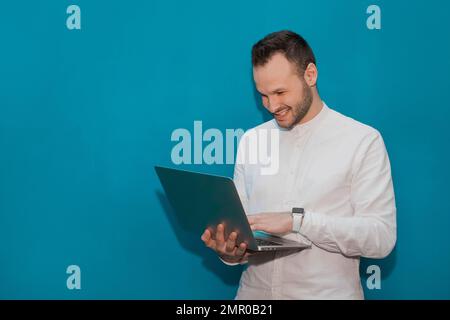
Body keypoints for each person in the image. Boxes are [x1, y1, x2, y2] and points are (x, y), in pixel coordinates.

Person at [201, 30, 397, 299]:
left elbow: (380, 238)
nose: (272, 105)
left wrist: (298, 222)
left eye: (280, 92)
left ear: (310, 75)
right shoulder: (252, 140)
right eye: (264, 95)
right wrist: (230, 252)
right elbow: (243, 231)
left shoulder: (362, 141)